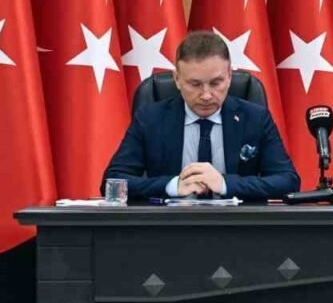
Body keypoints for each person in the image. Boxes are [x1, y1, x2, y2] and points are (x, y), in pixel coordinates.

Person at [101, 30, 299, 200]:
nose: (206, 95)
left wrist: (225, 184)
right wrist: (172, 186)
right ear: (177, 79)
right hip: (169, 226)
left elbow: (288, 181)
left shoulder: (255, 118)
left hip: (236, 226)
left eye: (215, 83)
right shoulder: (150, 118)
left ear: (229, 77)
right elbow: (111, 184)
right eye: (195, 84)